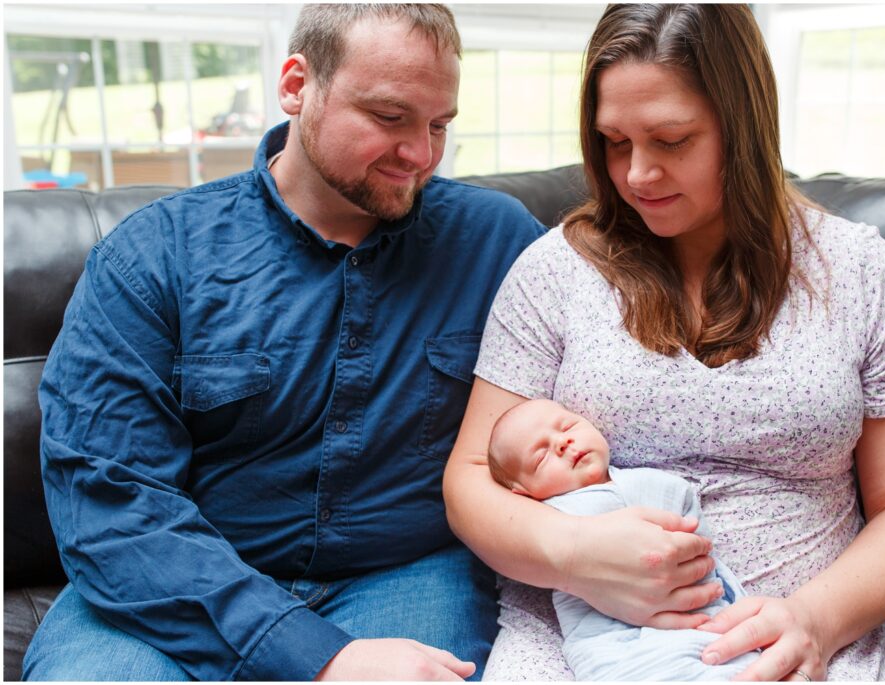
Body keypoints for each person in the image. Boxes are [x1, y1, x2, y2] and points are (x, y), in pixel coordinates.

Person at [25, 4, 545, 682]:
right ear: (298, 85)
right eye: (390, 117)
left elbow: (619, 380)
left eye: (439, 124)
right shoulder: (153, 256)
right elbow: (109, 498)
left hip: (405, 572)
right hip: (178, 586)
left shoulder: (497, 242)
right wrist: (318, 655)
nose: (421, 153)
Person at [443, 4, 885, 681]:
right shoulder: (554, 271)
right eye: (615, 141)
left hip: (801, 637)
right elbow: (471, 479)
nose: (637, 176)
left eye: (671, 139)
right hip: (583, 645)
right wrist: (574, 552)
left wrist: (814, 619)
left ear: (741, 125)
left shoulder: (859, 271)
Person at [487, 398, 758, 680]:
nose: (563, 443)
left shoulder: (651, 482)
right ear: (521, 491)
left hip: (697, 620)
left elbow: (694, 526)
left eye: (568, 426)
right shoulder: (547, 518)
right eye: (540, 456)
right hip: (610, 643)